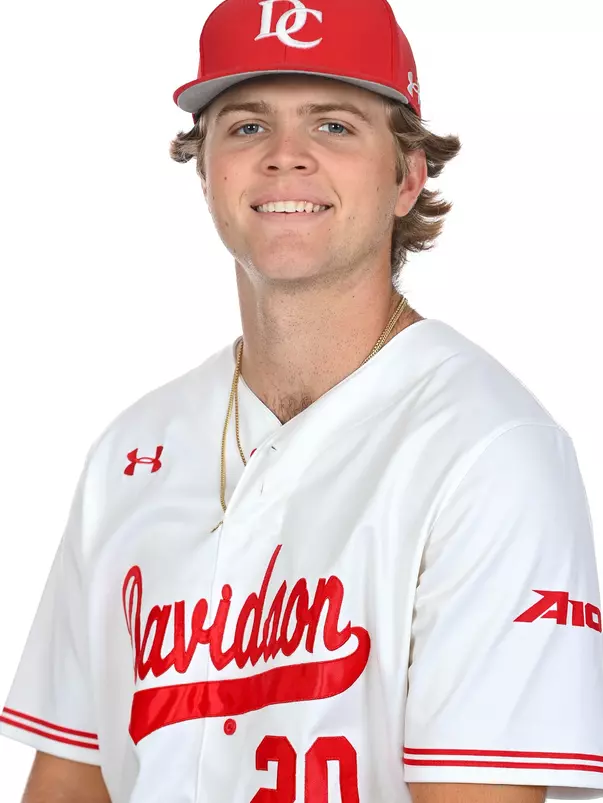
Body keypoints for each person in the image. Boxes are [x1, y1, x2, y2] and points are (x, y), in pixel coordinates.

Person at [1, 0, 602, 801]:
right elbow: (71, 782)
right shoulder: (131, 448)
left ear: (406, 177)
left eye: (335, 126)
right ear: (205, 169)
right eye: (247, 126)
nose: (286, 156)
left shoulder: (491, 449)